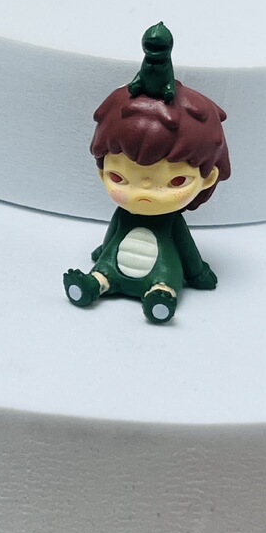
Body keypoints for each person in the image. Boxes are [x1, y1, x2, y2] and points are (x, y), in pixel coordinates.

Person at [63, 22, 230, 324]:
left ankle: (160, 295)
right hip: (114, 263)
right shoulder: (123, 214)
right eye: (119, 178)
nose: (143, 194)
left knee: (164, 279)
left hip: (159, 270)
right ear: (102, 172)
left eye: (175, 182)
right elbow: (112, 234)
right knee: (104, 270)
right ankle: (93, 284)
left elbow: (187, 252)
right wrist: (102, 251)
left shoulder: (171, 222)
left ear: (207, 178)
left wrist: (197, 273)